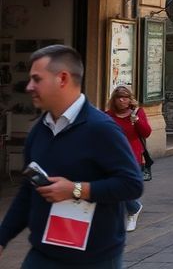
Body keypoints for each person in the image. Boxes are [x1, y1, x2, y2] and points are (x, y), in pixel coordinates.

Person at [0, 45, 142, 267]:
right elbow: (29, 190)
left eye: (37, 79)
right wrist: (3, 237)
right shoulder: (38, 130)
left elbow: (132, 185)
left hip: (94, 259)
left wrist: (76, 189)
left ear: (62, 79)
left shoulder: (101, 128)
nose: (29, 87)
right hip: (43, 255)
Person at [106, 85, 152, 231]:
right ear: (114, 100)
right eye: (118, 97)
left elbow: (146, 133)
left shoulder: (137, 113)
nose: (121, 100)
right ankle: (133, 208)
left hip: (133, 156)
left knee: (126, 187)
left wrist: (137, 120)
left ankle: (133, 210)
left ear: (129, 99)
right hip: (113, 156)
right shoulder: (108, 115)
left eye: (125, 97)